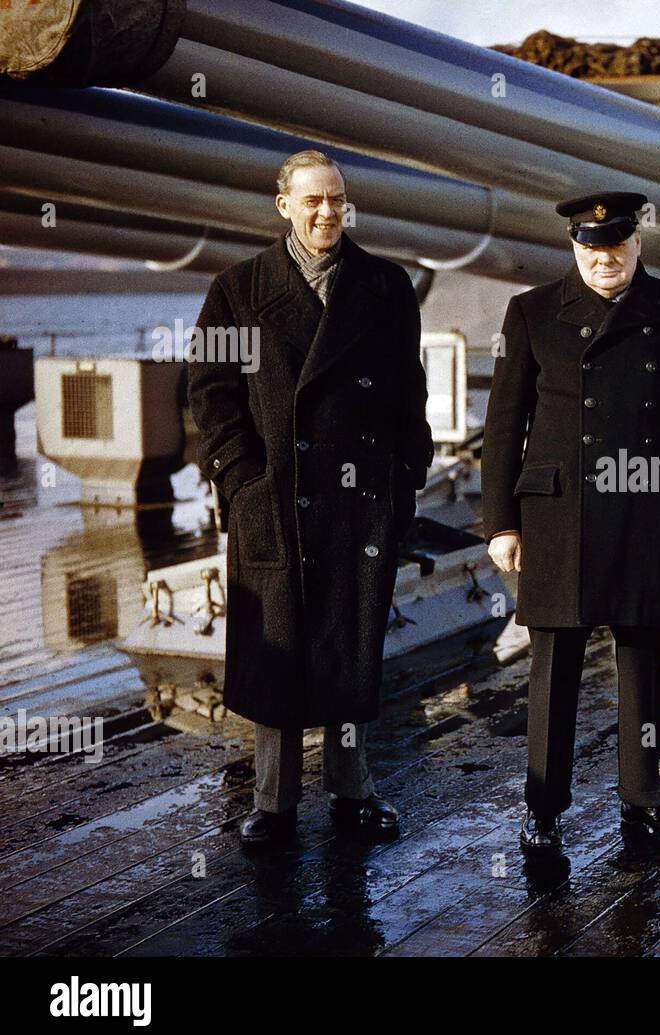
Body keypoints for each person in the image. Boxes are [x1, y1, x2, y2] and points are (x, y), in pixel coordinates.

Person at [187, 150, 433, 845]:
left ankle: (355, 792)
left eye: (337, 200)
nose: (328, 213)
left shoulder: (385, 287)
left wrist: (404, 478)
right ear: (283, 205)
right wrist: (243, 483)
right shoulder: (238, 289)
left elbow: (407, 398)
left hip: (361, 506)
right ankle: (274, 803)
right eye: (313, 201)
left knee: (351, 646)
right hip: (277, 502)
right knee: (277, 650)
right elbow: (210, 395)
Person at [481, 191, 660, 850]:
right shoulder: (532, 312)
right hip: (560, 516)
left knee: (644, 665)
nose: (605, 258)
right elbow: (505, 425)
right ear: (574, 247)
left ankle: (644, 802)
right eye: (592, 247)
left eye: (617, 244)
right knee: (552, 669)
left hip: (651, 510)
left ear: (637, 244)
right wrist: (502, 523)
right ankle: (543, 808)